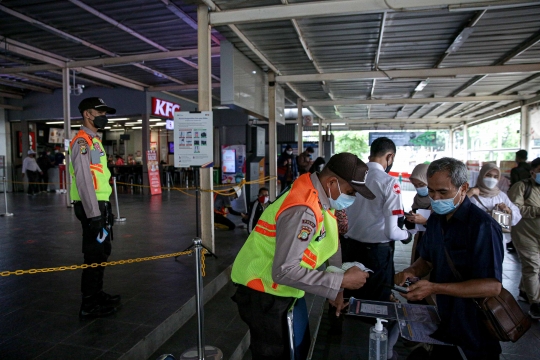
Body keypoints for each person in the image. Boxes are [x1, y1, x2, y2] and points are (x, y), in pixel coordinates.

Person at [231, 152, 374, 360]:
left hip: (278, 290)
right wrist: (340, 280)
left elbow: (331, 239)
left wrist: (336, 288)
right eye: (351, 192)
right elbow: (284, 271)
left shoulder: (320, 194)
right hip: (263, 292)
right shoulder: (303, 209)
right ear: (332, 182)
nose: (352, 198)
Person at [395, 157, 503, 360]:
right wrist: (411, 272)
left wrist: (434, 287)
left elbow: (492, 286)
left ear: (463, 188)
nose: (435, 198)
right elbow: (427, 259)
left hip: (475, 329)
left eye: (443, 192)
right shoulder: (436, 218)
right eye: (431, 190)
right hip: (444, 320)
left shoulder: (482, 227)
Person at [343, 137, 411, 302]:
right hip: (376, 255)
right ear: (390, 157)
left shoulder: (352, 177)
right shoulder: (389, 182)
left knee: (350, 298)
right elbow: (392, 231)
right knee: (376, 303)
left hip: (349, 248)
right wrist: (407, 235)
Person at [70, 97, 120, 319]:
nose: (103, 116)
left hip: (100, 204)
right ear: (87, 114)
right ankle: (88, 303)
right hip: (91, 206)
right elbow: (83, 180)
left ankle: (97, 294)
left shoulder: (95, 141)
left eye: (105, 112)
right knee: (93, 253)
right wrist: (94, 214)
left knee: (102, 251)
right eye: (99, 112)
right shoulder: (82, 142)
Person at [508, 157, 540, 319]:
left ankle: (524, 291)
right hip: (525, 235)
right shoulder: (522, 187)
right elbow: (514, 209)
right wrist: (536, 211)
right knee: (532, 266)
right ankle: (536, 303)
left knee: (533, 267)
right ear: (533, 171)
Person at [467, 163, 522, 253]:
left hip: (497, 238)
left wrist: (508, 210)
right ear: (481, 175)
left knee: (495, 263)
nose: (491, 179)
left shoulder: (500, 195)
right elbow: (456, 207)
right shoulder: (472, 193)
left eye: (495, 177)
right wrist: (470, 193)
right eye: (488, 175)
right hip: (475, 237)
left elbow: (517, 214)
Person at [404, 163, 431, 264]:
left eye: (421, 185)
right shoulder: (417, 198)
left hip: (433, 241)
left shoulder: (439, 200)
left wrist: (425, 221)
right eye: (415, 185)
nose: (418, 188)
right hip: (420, 239)